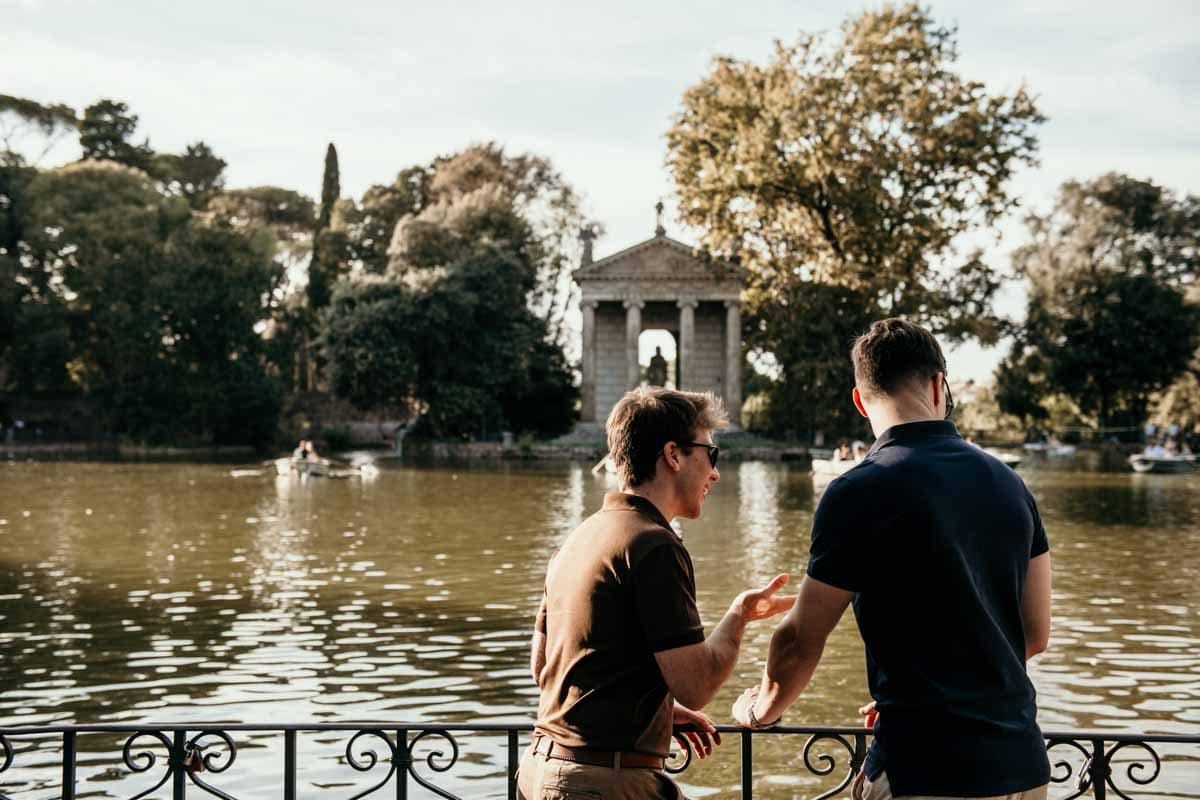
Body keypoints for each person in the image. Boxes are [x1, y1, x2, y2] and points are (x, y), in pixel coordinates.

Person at [732, 318, 1052, 800]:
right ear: (938, 385)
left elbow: (800, 638)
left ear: (860, 400)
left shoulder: (858, 490)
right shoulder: (1011, 484)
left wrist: (759, 710)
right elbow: (1034, 632)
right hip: (1024, 768)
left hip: (924, 769)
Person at [519, 387, 795, 800]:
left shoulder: (579, 538)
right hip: (602, 784)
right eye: (711, 455)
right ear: (673, 455)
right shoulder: (654, 545)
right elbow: (697, 685)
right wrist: (738, 616)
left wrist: (654, 712)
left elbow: (545, 670)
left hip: (540, 772)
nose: (715, 473)